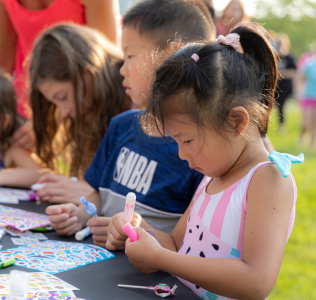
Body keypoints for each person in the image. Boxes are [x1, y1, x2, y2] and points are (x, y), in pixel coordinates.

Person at [107, 24, 301, 299]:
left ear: (236, 122)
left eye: (186, 141)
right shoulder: (212, 175)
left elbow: (256, 282)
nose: (181, 154)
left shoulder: (268, 180)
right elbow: (176, 244)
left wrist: (160, 259)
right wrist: (139, 231)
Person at [45, 0, 216, 242]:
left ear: (172, 57)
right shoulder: (120, 126)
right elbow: (98, 196)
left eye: (130, 55)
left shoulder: (197, 152)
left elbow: (185, 242)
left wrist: (131, 234)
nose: (122, 70)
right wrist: (79, 215)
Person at [0, 0, 121, 150]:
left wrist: (51, 118)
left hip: (87, 104)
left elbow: (105, 64)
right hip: (33, 105)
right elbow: (6, 43)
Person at [29, 24, 130, 203]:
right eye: (55, 103)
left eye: (63, 97)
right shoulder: (90, 113)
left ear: (88, 74)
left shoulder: (136, 104)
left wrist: (88, 193)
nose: (64, 111)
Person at [274, 33, 297, 135]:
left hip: (285, 87)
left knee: (281, 106)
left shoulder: (289, 57)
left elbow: (294, 72)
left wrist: (280, 74)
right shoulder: (274, 56)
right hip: (274, 86)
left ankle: (281, 126)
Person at [298, 45, 316, 150]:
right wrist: (298, 93)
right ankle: (302, 139)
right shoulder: (309, 64)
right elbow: (301, 78)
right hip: (309, 96)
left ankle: (311, 147)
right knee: (306, 123)